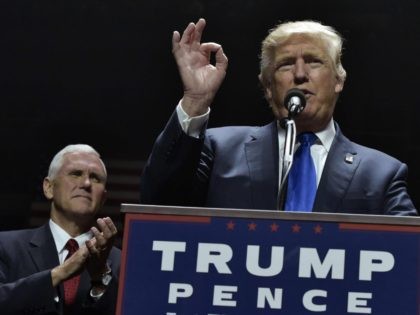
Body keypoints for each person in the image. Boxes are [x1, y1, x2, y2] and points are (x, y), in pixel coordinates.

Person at [140, 18, 417, 216]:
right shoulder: (220, 150)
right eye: (286, 64)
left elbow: (407, 257)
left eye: (313, 61)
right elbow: (157, 200)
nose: (299, 74)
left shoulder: (381, 175)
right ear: (268, 87)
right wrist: (195, 100)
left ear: (338, 79)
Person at [0, 144, 121, 315]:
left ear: (103, 199)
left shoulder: (122, 264)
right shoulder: (6, 247)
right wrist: (61, 272)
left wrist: (100, 279)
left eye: (95, 178)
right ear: (48, 188)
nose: (86, 183)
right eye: (76, 173)